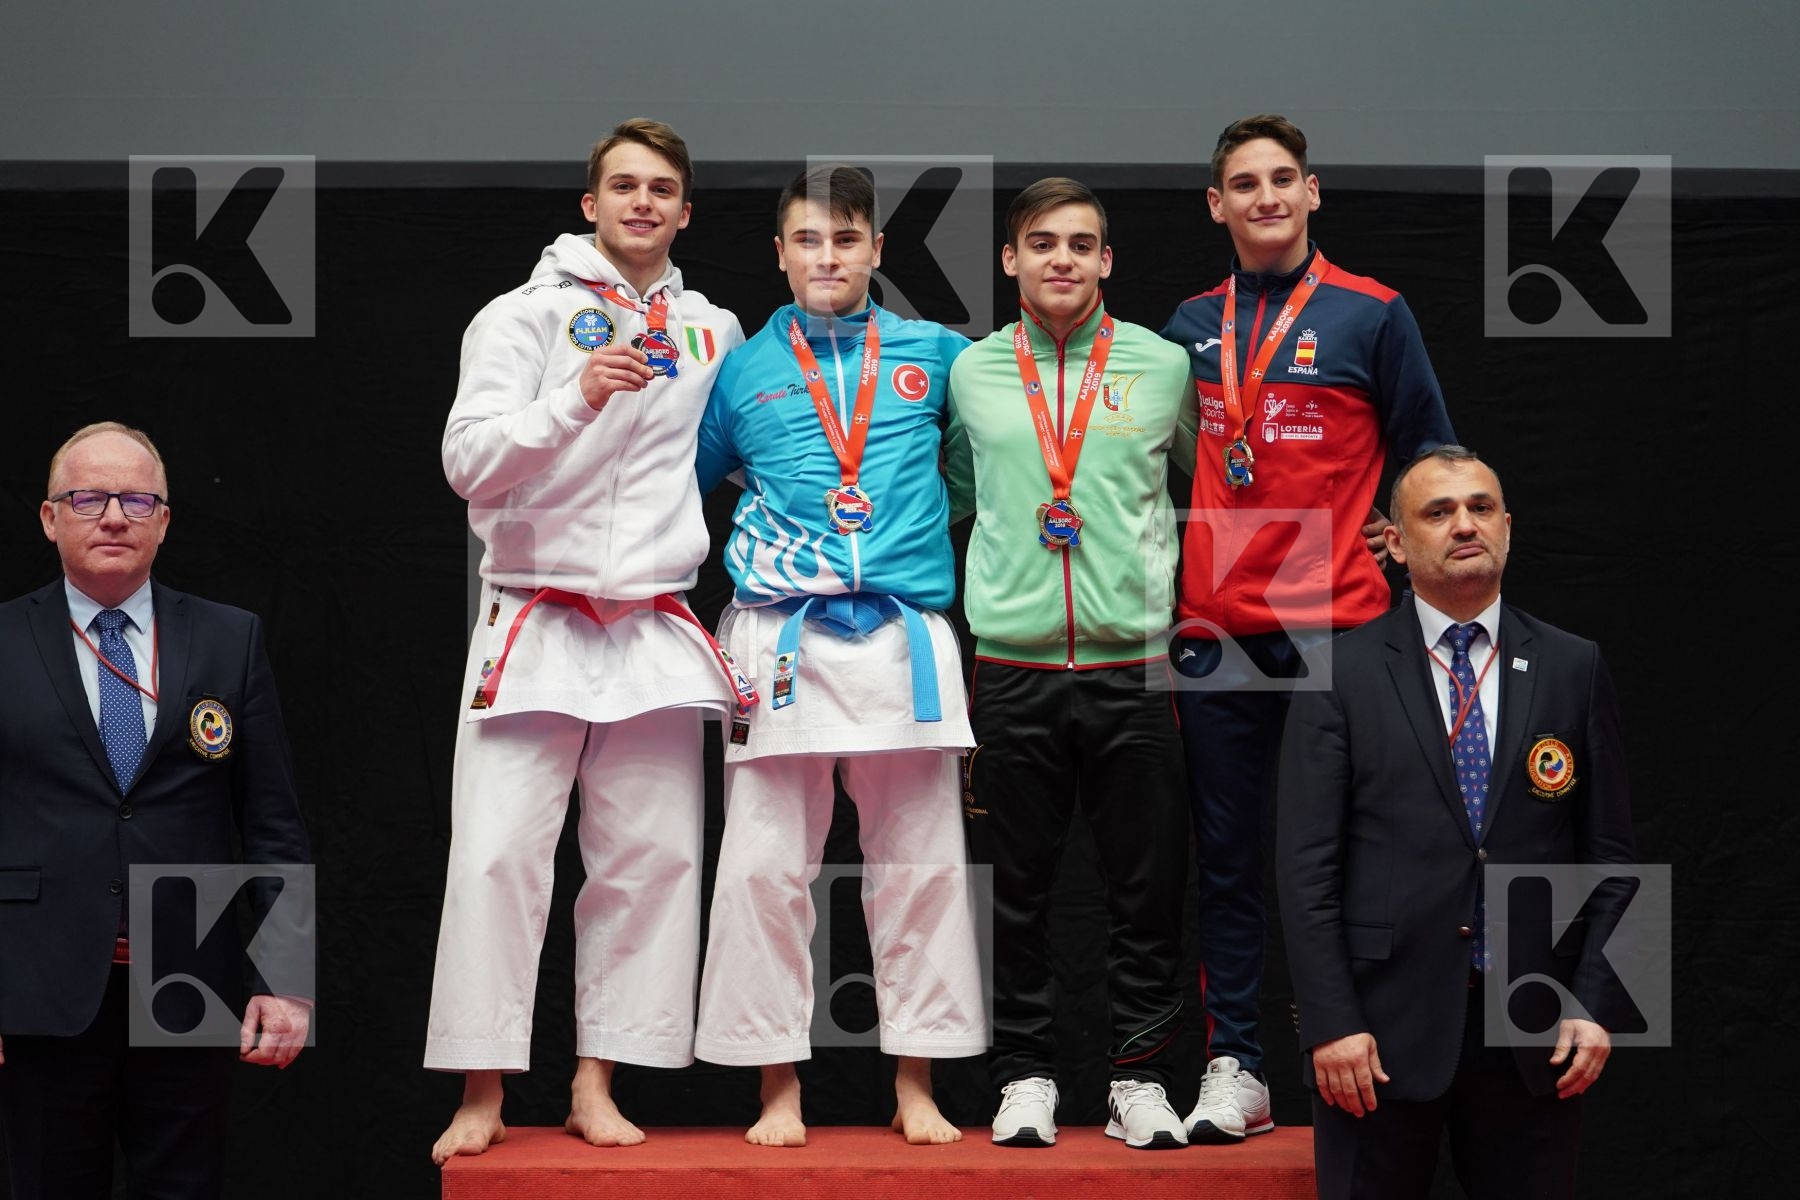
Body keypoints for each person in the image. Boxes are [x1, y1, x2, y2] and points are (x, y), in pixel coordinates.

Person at [425, 118, 747, 1163]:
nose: (642, 202)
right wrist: (575, 396)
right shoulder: (520, 316)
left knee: (652, 861)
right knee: (495, 860)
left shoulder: (714, 330)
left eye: (662, 189)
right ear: (590, 203)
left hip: (651, 619)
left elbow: (743, 451)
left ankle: (595, 1080)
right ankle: (482, 1088)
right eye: (623, 185)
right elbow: (467, 462)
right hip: (536, 612)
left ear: (685, 211)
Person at [1159, 113, 1455, 1142]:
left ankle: (1369, 1053)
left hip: (1341, 627)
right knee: (1228, 858)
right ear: (1218, 205)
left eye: (1283, 178)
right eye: (1245, 184)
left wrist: (1397, 534)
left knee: (1355, 856)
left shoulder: (1374, 313)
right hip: (1218, 631)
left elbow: (1434, 455)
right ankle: (1237, 1066)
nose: (1267, 197)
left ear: (1312, 191)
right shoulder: (1190, 325)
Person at [693, 163, 986, 1147]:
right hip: (781, 636)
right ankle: (777, 1086)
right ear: (780, 252)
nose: (828, 256)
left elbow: (984, 467)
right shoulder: (739, 371)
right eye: (809, 240)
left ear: (876, 250)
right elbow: (683, 491)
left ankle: (917, 1083)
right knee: (765, 869)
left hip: (903, 636)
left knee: (922, 867)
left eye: (846, 239)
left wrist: (911, 530)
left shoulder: (938, 355)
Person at [1276, 446, 1638, 1198]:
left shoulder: (1575, 665)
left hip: (1537, 1029)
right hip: (1373, 1036)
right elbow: (1304, 870)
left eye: (1480, 507)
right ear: (1396, 542)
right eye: (1438, 512)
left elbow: (1616, 856)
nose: (1464, 525)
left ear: (1508, 526)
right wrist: (1329, 1023)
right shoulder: (1337, 672)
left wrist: (1604, 1004)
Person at [943, 178, 1194, 1149]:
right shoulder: (972, 372)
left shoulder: (1164, 365)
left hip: (1137, 666)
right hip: (1012, 666)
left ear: (1107, 261)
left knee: (1146, 892)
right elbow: (953, 492)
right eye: (1042, 242)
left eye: (1081, 244)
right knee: (1016, 890)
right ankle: (1024, 1076)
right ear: (1010, 259)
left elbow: (1224, 482)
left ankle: (1142, 1079)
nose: (1062, 259)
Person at [0, 422, 313, 1200]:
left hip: (189, 975)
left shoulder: (229, 638)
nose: (114, 516)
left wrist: (287, 978)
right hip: (36, 982)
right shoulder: (3, 640)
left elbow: (272, 822)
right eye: (88, 499)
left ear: (164, 521)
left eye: (137, 500)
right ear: (49, 518)